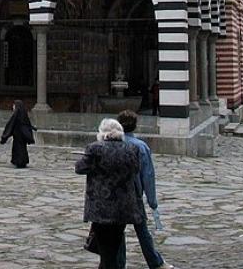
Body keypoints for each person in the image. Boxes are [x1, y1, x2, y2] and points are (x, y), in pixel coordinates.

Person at [75, 118, 144, 269]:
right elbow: (136, 169)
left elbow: (80, 168)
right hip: (123, 207)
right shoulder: (132, 149)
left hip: (101, 207)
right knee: (113, 246)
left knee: (105, 249)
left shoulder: (95, 149)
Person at [117, 110, 174, 269]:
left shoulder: (113, 144)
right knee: (142, 231)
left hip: (117, 195)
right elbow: (147, 175)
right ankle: (155, 262)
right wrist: (152, 201)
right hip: (134, 195)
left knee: (118, 231)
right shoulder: (140, 147)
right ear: (135, 126)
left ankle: (120, 263)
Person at [0, 100, 37, 168]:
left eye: (14, 105)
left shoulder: (16, 114)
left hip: (18, 135)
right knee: (22, 148)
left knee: (18, 148)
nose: (13, 107)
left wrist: (4, 137)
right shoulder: (23, 114)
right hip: (23, 136)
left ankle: (19, 161)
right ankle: (23, 161)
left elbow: (11, 124)